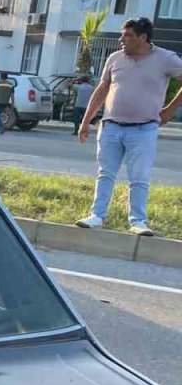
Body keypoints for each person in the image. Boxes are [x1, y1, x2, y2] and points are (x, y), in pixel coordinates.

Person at [76, 17, 182, 236]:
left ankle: (138, 221)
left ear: (143, 37)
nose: (121, 39)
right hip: (111, 126)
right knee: (105, 173)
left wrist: (170, 110)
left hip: (144, 128)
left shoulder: (166, 59)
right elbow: (102, 89)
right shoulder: (115, 58)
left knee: (139, 177)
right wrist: (86, 121)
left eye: (128, 35)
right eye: (122, 34)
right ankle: (97, 215)